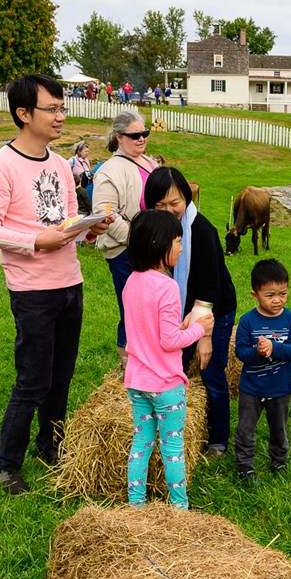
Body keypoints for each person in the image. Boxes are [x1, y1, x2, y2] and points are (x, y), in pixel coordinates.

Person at [0, 73, 114, 496]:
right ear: (23, 113)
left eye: (62, 107)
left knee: (62, 375)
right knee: (33, 379)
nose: (61, 116)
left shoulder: (59, 164)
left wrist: (88, 228)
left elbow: (67, 219)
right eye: (52, 108)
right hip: (31, 289)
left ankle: (51, 446)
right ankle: (5, 465)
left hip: (70, 281)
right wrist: (37, 240)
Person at [145, 166, 238, 456]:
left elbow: (209, 289)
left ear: (187, 198)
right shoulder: (156, 229)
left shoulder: (202, 231)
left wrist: (204, 336)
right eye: (160, 205)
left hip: (214, 309)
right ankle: (176, 428)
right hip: (181, 309)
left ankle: (218, 439)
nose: (169, 210)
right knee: (177, 367)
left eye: (175, 203)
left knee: (211, 370)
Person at [122, 209, 212, 509]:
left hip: (137, 381)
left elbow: (149, 330)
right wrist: (200, 329)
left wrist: (183, 325)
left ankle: (136, 504)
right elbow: (169, 341)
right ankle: (179, 508)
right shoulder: (168, 287)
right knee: (172, 448)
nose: (182, 247)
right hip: (165, 385)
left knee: (141, 444)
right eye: (177, 240)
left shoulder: (132, 282)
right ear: (160, 244)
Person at [92, 110, 157, 371]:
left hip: (153, 251)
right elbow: (106, 215)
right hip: (125, 253)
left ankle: (149, 362)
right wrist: (139, 242)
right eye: (135, 135)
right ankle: (129, 368)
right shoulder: (109, 171)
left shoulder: (148, 162)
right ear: (119, 137)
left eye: (145, 133)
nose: (141, 139)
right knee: (132, 312)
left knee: (151, 310)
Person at [233, 259, 291, 488]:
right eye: (270, 295)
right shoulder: (247, 321)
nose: (277, 300)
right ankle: (245, 467)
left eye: (282, 293)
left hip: (280, 388)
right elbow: (240, 352)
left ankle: (279, 462)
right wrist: (259, 352)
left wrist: (274, 348)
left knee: (278, 428)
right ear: (255, 295)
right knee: (245, 429)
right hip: (251, 388)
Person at [69, 141, 93, 215]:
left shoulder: (86, 160)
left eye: (88, 151)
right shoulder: (72, 160)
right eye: (85, 151)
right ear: (79, 151)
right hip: (78, 187)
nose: (87, 153)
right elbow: (65, 170)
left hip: (88, 185)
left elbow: (89, 170)